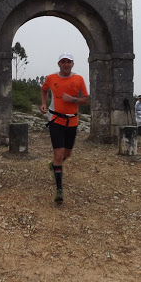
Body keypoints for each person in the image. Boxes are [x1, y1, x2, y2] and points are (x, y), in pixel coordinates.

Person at [40, 52, 90, 203]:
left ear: (72, 64)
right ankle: (59, 189)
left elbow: (86, 100)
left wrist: (73, 99)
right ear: (59, 64)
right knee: (59, 153)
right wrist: (43, 103)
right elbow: (44, 89)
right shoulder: (51, 78)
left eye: (69, 62)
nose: (66, 64)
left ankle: (55, 164)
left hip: (72, 121)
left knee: (66, 154)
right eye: (63, 62)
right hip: (55, 119)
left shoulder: (78, 79)